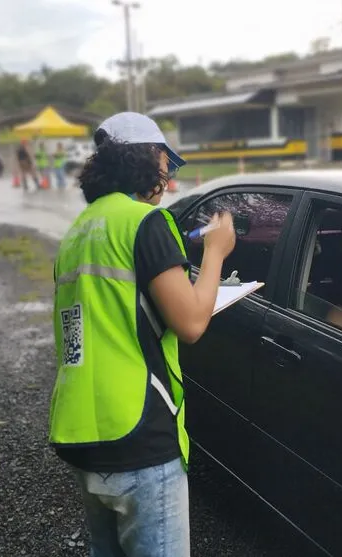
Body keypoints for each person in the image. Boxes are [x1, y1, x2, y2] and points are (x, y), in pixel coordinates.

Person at [48, 111, 236, 557]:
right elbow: (190, 323)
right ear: (147, 159)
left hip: (83, 431)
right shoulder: (143, 223)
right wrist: (215, 253)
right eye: (166, 163)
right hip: (139, 434)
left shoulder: (77, 232)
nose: (169, 178)